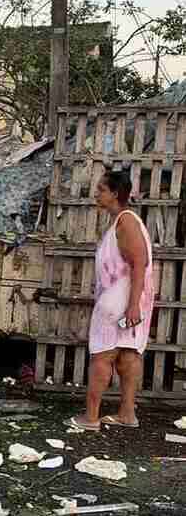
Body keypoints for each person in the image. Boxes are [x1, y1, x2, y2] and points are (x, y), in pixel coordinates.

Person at [71, 168, 155, 432]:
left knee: (102, 356)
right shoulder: (123, 221)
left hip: (120, 300)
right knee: (128, 354)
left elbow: (139, 262)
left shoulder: (126, 221)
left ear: (115, 194)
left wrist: (131, 305)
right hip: (130, 299)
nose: (96, 193)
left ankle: (91, 417)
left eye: (101, 189)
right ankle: (127, 414)